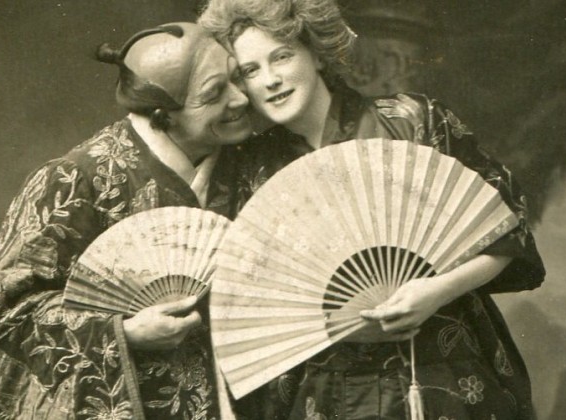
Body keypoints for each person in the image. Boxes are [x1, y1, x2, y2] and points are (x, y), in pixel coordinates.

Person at [199, 1, 546, 419]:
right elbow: (246, 298)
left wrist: (437, 291)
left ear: (316, 54)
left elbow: (505, 228)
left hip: (443, 365)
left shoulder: (412, 122)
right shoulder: (250, 170)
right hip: (324, 388)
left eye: (282, 56)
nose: (270, 80)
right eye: (250, 71)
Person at [0, 22, 252, 420]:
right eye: (214, 93)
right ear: (162, 116)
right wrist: (124, 333)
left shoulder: (251, 162)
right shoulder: (74, 180)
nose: (240, 98)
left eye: (237, 76)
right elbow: (3, 316)